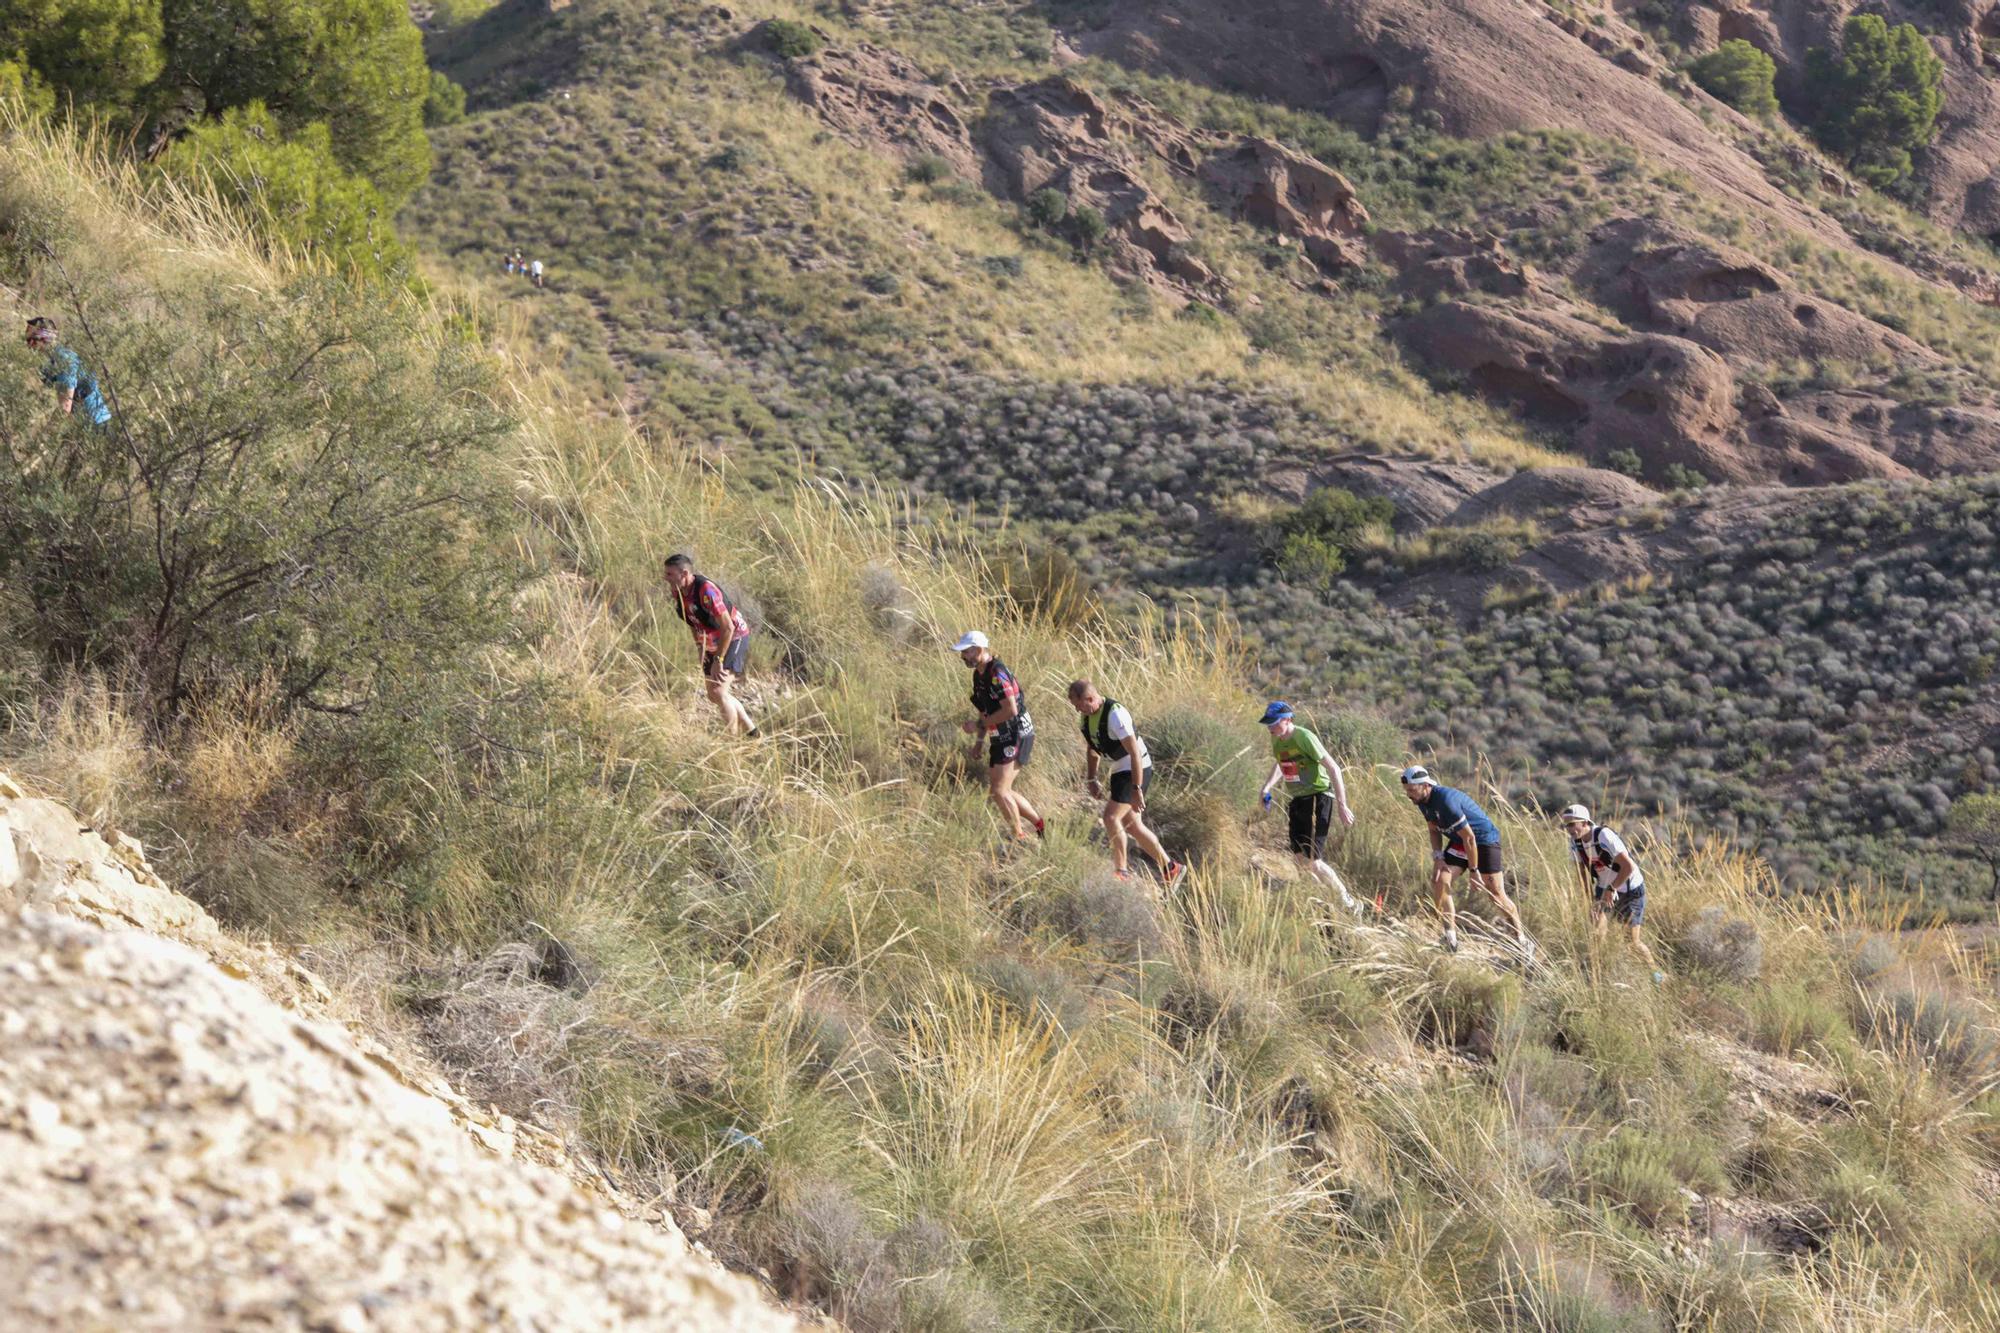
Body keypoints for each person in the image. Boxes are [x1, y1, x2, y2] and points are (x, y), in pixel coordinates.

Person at [1068, 680, 1186, 889]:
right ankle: (1171, 868)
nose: (1078, 710)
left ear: (1090, 698)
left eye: (1079, 705)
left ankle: (1121, 871)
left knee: (1111, 817)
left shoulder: (1115, 714)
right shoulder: (1086, 719)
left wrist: (1136, 788)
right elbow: (1092, 749)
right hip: (1119, 768)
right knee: (1133, 826)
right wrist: (1092, 778)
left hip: (1135, 767)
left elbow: (1135, 753)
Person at [1401, 766, 1530, 956]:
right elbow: (1433, 829)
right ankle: (1450, 939)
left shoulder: (1446, 801)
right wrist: (1438, 857)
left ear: (1426, 786)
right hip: (1460, 840)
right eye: (1407, 791)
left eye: (1412, 790)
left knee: (1495, 893)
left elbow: (1470, 838)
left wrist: (1473, 870)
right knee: (1440, 880)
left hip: (1483, 840)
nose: (1408, 795)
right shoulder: (1421, 800)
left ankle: (1522, 941)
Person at [1256, 702, 1365, 915]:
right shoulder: (1277, 740)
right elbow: (1281, 764)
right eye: (1268, 724)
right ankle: (1326, 904)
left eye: (1274, 723)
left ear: (1288, 719)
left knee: (1313, 861)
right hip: (1297, 799)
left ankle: (1350, 904)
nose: (1270, 728)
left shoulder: (1304, 738)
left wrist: (1343, 805)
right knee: (1299, 859)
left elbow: (1334, 768)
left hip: (1318, 796)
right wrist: (1266, 787)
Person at [953, 631, 1045, 846]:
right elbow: (985, 711)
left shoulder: (997, 672)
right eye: (963, 652)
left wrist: (978, 726)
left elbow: (1011, 710)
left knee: (999, 790)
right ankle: (1039, 825)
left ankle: (1019, 838)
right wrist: (979, 740)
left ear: (979, 649)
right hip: (1000, 735)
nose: (963, 656)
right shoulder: (978, 675)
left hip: (1017, 732)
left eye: (966, 652)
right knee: (1003, 789)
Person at [1558, 804, 1663, 982]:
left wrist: (1612, 888)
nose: (1568, 829)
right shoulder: (1575, 843)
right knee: (1597, 934)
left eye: (1572, 824)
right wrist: (1589, 902)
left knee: (1632, 942)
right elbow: (1582, 874)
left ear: (1584, 822)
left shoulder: (1604, 835)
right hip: (1604, 886)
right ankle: (1598, 975)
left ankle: (1656, 976)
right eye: (1566, 825)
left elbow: (1628, 866)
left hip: (1629, 889)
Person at [663, 554, 759, 737]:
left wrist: (719, 659)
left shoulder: (707, 591)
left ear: (684, 573)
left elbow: (728, 627)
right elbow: (692, 621)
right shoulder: (678, 591)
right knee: (714, 695)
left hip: (734, 636)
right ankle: (753, 734)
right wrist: (700, 647)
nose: (665, 578)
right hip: (711, 639)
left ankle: (731, 742)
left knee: (718, 691)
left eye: (669, 574)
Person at [24, 318, 112, 426]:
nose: (28, 346)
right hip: (79, 423)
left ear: (44, 339)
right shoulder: (50, 361)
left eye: (31, 341)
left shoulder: (63, 360)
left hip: (95, 423)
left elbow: (64, 408)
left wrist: (44, 437)